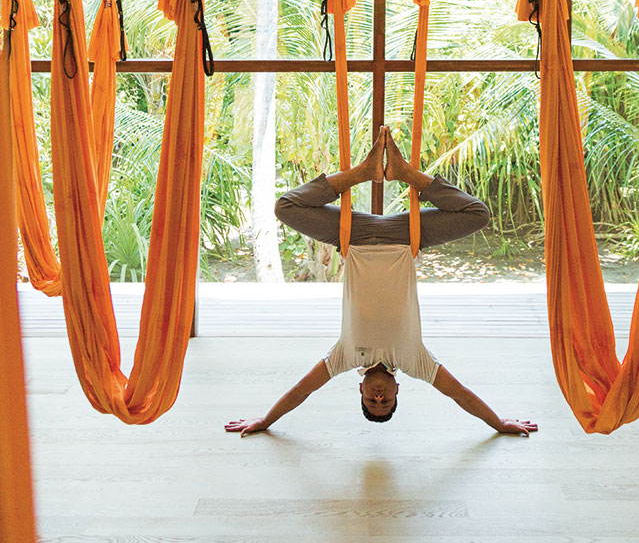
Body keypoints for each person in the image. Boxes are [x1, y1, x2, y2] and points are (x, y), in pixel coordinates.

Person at [225, 127, 537, 437]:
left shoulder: (343, 357)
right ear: (397, 390)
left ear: (359, 388)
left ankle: (362, 173)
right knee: (477, 214)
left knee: (285, 207)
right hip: (405, 238)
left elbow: (300, 392)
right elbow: (460, 395)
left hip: (353, 237)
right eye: (385, 401)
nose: (378, 397)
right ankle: (404, 173)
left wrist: (264, 421)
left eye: (371, 401)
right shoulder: (416, 362)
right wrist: (499, 423)